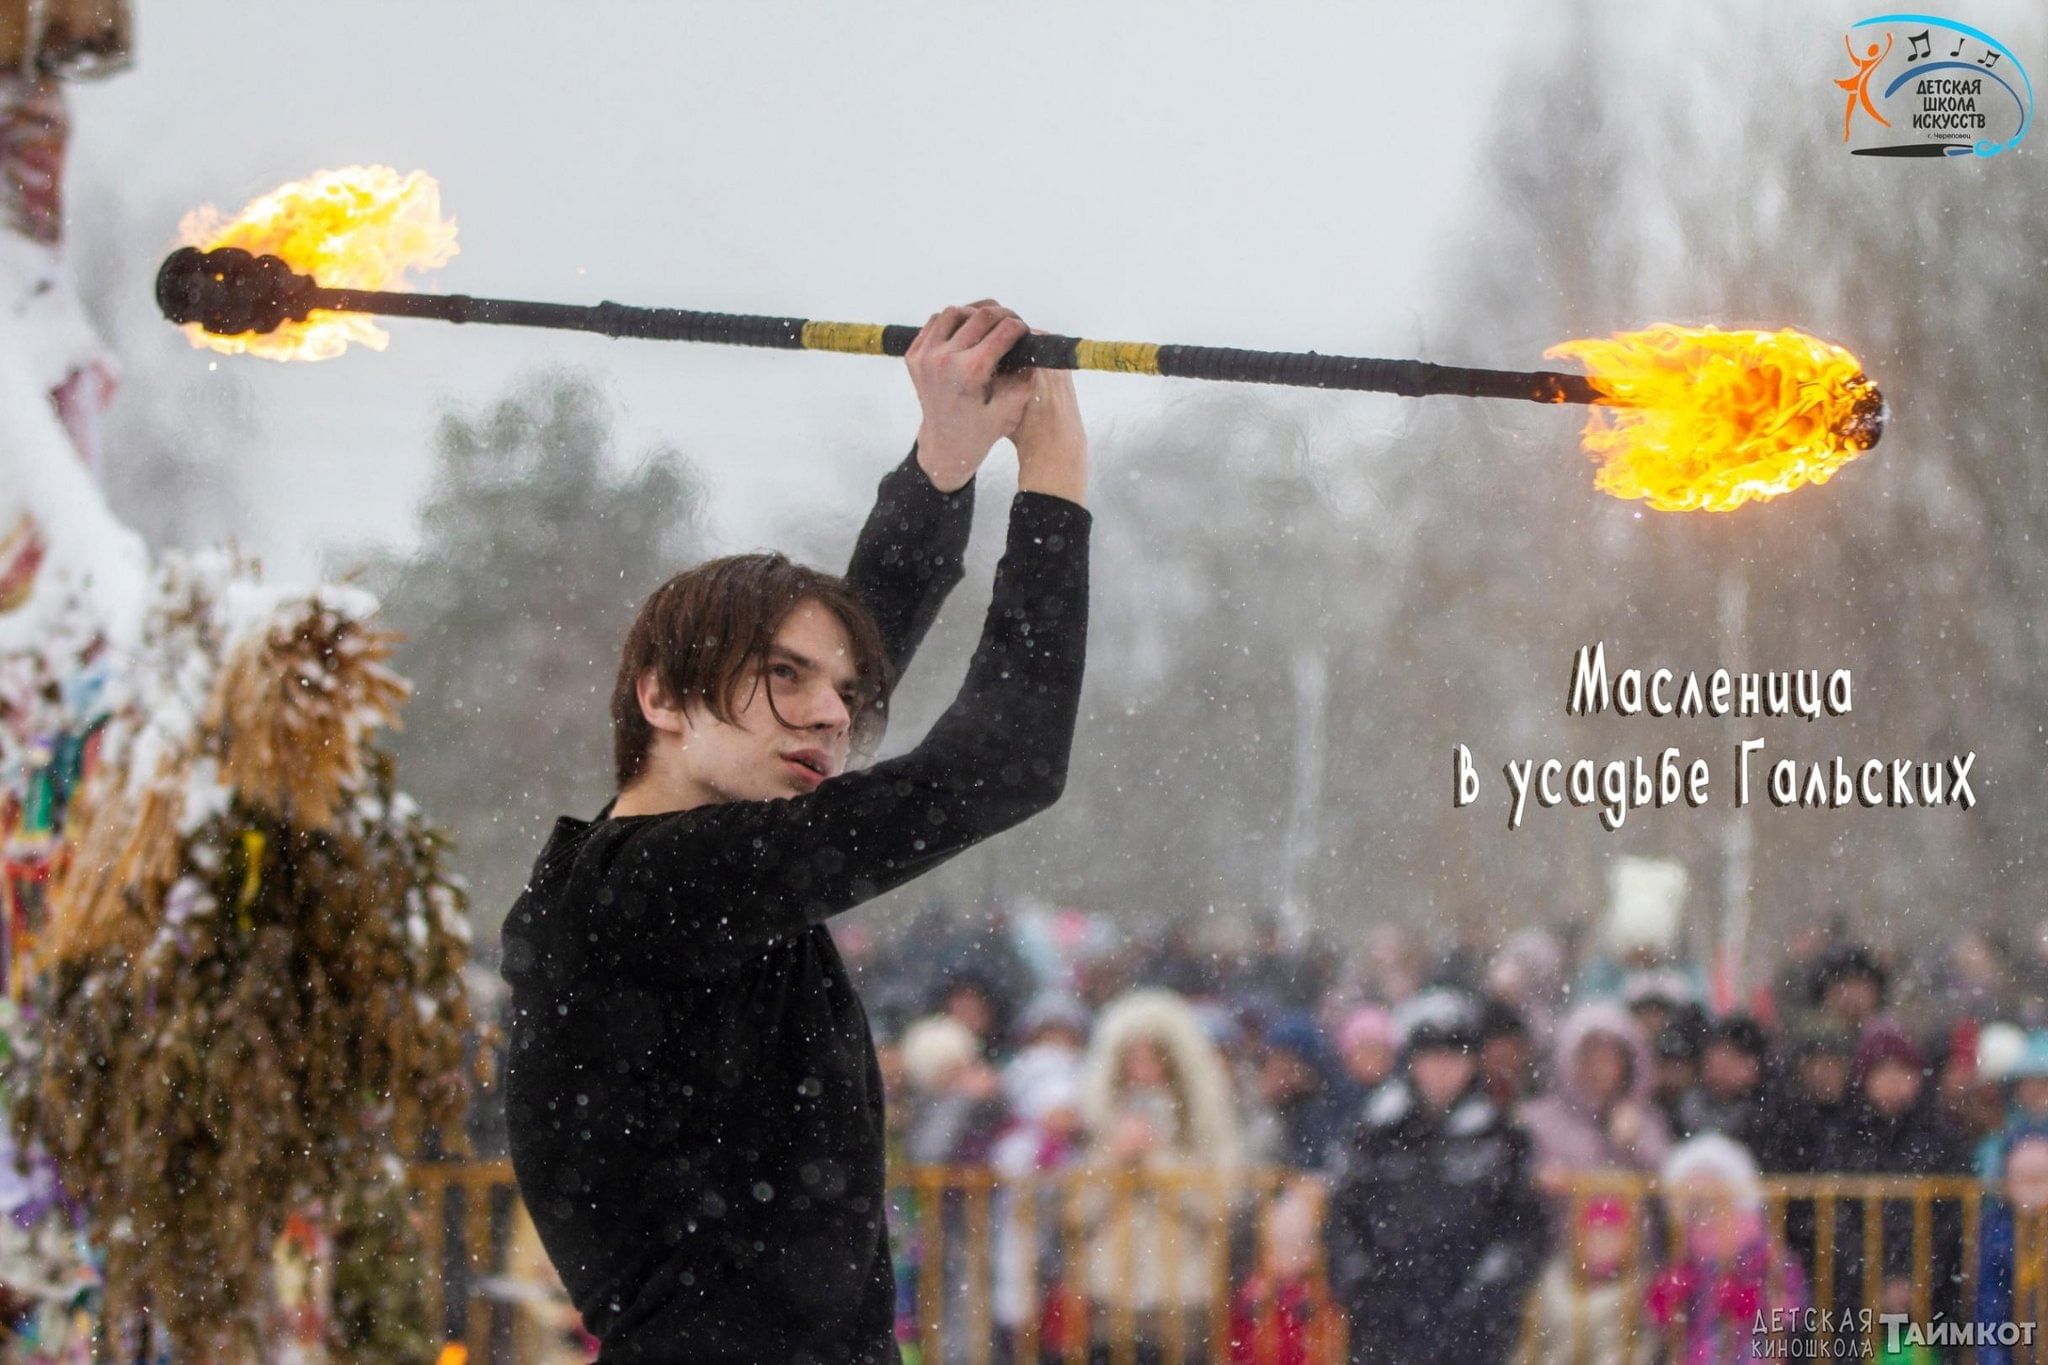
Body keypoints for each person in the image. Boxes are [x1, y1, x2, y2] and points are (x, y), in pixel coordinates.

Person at [500, 300, 1091, 1363]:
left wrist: (943, 461)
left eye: (842, 691)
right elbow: (1000, 766)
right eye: (782, 676)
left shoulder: (708, 874)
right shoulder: (649, 889)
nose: (829, 714)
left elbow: (862, 639)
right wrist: (1052, 486)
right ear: (661, 699)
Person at [1323, 990, 1546, 1365]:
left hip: (1473, 1330)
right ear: (1412, 1062)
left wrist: (1486, 1294)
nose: (1443, 1068)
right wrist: (1364, 1286)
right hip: (1385, 1327)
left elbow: (1521, 1229)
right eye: (1431, 1056)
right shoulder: (1375, 1134)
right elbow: (1344, 1218)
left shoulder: (1501, 1138)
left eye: (1455, 1055)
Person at [1070, 987, 1242, 1364]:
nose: (1142, 1068)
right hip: (1111, 1294)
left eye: (1151, 1057)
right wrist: (1116, 1162)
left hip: (1179, 1293)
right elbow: (1078, 1213)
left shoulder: (1201, 1125)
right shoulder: (1103, 1124)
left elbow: (1219, 1205)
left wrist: (1158, 1162)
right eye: (1132, 1058)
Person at [1644, 1135, 1809, 1365]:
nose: (1700, 1195)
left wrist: (1756, 1307)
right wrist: (1666, 1302)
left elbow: (1793, 1306)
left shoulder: (1760, 1245)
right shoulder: (1682, 1248)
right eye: (1692, 1188)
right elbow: (1659, 1315)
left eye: (1709, 1185)